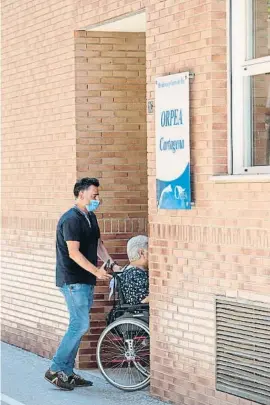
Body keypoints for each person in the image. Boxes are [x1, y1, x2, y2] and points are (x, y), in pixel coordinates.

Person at [45, 177, 120, 391]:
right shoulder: (71, 219)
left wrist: (111, 265)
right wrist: (96, 270)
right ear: (81, 194)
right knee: (80, 324)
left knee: (78, 325)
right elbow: (73, 252)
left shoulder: (90, 217)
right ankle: (55, 369)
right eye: (94, 195)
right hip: (72, 280)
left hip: (86, 280)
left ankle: (67, 373)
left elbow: (97, 244)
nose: (98, 198)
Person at [120, 235, 149, 305]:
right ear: (141, 253)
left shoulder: (129, 271)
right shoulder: (134, 274)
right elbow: (142, 301)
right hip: (140, 313)